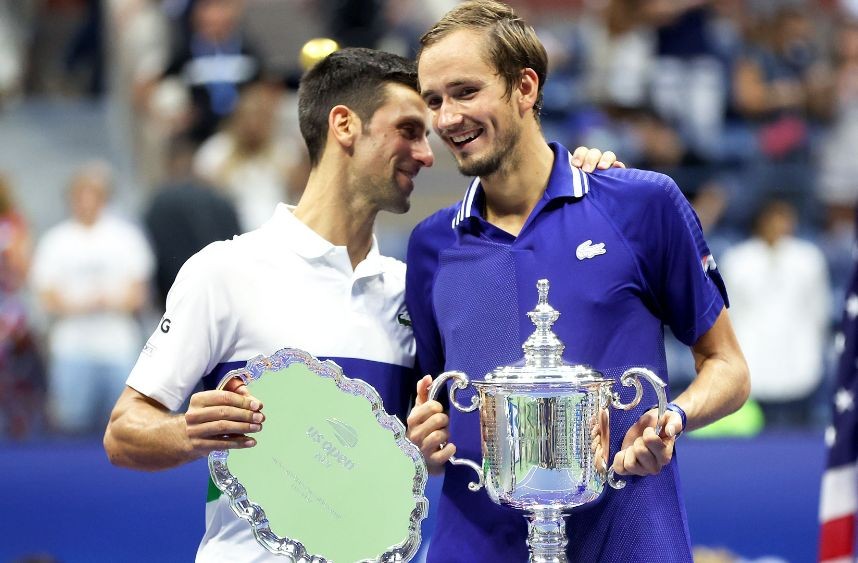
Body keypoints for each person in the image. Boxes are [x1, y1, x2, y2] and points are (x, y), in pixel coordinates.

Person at [103, 45, 618, 561]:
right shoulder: (224, 271)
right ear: (345, 125)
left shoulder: (412, 287)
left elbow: (423, 449)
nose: (426, 154)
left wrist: (586, 186)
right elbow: (124, 431)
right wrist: (189, 433)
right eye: (409, 131)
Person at [404, 2, 750, 561]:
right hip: (474, 545)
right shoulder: (430, 244)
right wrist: (421, 438)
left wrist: (671, 419)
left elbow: (728, 367)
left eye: (465, 92)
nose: (446, 118)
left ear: (524, 87)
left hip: (629, 540)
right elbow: (432, 407)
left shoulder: (641, 204)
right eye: (435, 100)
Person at [31, 161, 154, 435]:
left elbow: (138, 294)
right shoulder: (56, 241)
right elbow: (47, 297)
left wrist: (107, 302)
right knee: (70, 423)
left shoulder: (126, 237)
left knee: (126, 423)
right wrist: (84, 304)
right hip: (72, 346)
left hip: (117, 345)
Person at [720, 198, 830, 428]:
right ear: (761, 221)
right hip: (753, 353)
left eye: (785, 218)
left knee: (799, 431)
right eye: (774, 218)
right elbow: (729, 311)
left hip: (799, 355)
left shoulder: (809, 259)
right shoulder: (738, 260)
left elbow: (819, 308)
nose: (779, 224)